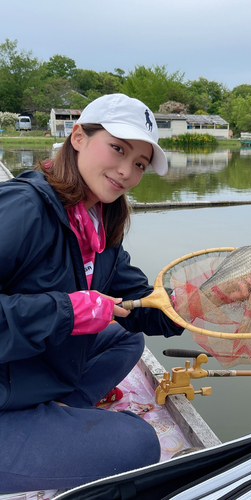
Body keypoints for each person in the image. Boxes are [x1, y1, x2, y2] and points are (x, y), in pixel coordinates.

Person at [0, 93, 184, 493]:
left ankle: (62, 409)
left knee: (126, 336)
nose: (126, 171)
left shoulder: (98, 221)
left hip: (21, 372)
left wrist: (202, 299)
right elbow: (64, 313)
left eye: (139, 163)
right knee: (137, 443)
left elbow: (139, 304)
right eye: (117, 148)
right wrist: (66, 311)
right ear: (78, 136)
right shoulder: (23, 209)